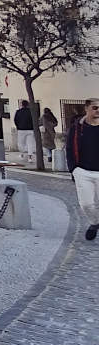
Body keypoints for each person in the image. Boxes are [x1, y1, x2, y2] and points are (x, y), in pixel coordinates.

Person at [65, 98, 99, 240]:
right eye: (95, 108)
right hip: (83, 172)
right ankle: (95, 222)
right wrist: (74, 169)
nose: (98, 111)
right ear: (86, 108)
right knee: (86, 204)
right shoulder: (77, 127)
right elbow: (69, 149)